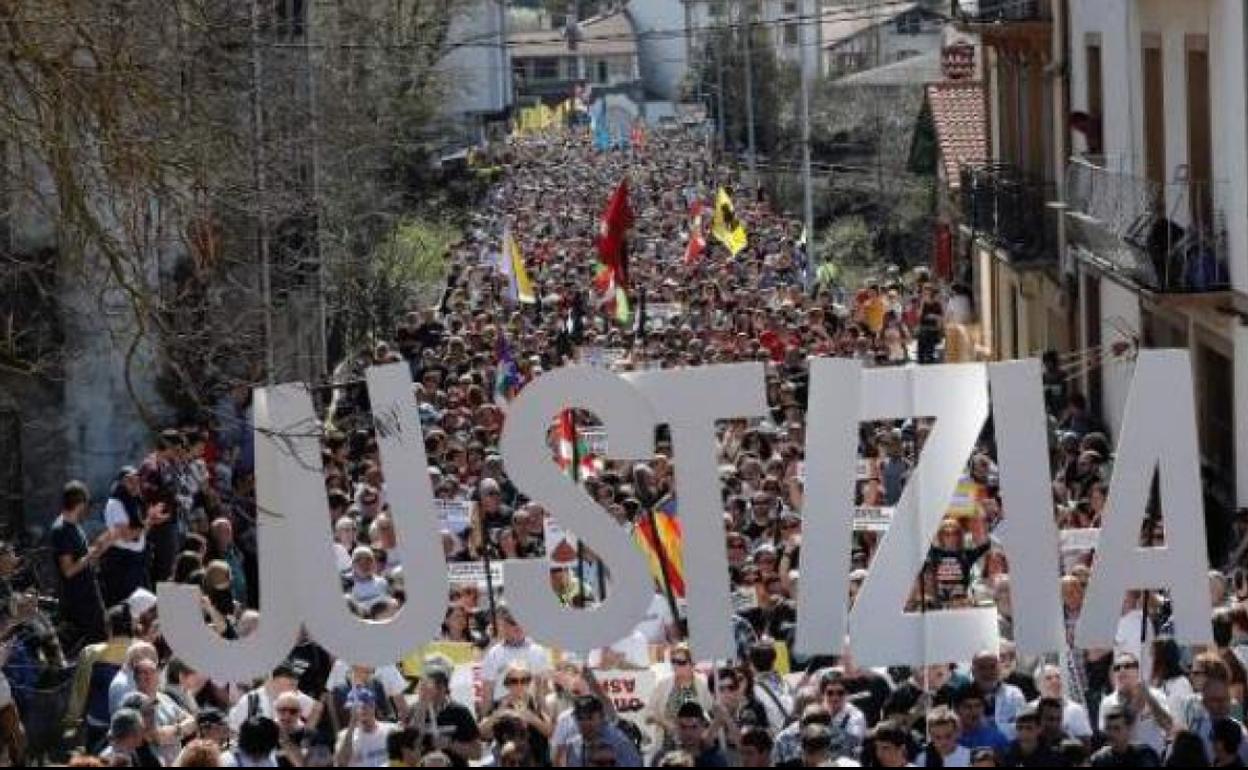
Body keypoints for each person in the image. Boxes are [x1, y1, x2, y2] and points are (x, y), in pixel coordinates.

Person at [50, 481, 111, 646]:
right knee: (94, 644)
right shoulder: (61, 530)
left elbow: (82, 557)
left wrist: (99, 547)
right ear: (80, 503)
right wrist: (91, 555)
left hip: (88, 594)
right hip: (79, 601)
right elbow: (68, 570)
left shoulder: (73, 525)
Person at [406, 654, 482, 764]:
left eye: (439, 683)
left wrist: (450, 744)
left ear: (445, 686)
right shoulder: (414, 711)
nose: (434, 687)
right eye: (428, 681)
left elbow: (477, 753)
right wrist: (422, 707)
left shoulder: (460, 712)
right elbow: (409, 754)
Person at [1098, 651, 1173, 756]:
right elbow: (1107, 737)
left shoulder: (1156, 695)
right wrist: (1134, 710)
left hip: (1151, 759)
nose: (1122, 670)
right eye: (1117, 668)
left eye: (1128, 666)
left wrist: (1149, 699)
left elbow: (1168, 726)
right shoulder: (1108, 702)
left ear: (1137, 671)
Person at [479, 607, 552, 712]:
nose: (518, 626)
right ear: (503, 625)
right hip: (502, 711)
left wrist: (544, 720)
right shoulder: (493, 654)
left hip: (531, 711)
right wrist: (485, 718)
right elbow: (487, 694)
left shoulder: (539, 651)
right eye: (512, 622)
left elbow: (543, 692)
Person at [565, 694, 642, 767]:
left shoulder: (619, 742)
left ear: (602, 717)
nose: (585, 723)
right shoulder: (574, 745)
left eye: (589, 717)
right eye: (580, 718)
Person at [335, 687, 398, 767]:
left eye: (363, 707)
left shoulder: (391, 731)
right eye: (354, 708)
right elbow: (341, 763)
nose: (359, 711)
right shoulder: (345, 736)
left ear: (372, 706)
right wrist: (352, 725)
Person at [1090, 705, 1161, 767]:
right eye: (1108, 728)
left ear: (1128, 729)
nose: (1111, 733)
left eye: (1116, 728)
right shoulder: (1100, 760)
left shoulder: (1145, 755)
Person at [1001, 704, 1066, 767]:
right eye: (1020, 728)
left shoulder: (1052, 756)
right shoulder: (1009, 752)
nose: (1023, 732)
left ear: (1039, 729)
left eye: (1029, 728)